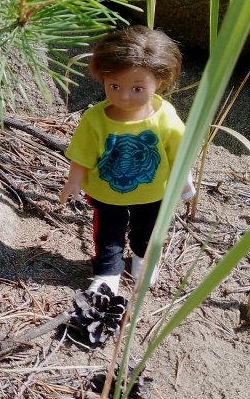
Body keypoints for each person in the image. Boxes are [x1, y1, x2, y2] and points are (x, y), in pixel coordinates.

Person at [58, 25, 194, 295]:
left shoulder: (165, 118)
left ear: (160, 80)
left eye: (137, 88)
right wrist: (74, 181)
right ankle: (108, 272)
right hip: (106, 193)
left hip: (154, 192)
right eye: (115, 86)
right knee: (107, 233)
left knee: (149, 230)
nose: (124, 96)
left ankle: (143, 260)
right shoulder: (95, 119)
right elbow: (83, 154)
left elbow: (179, 152)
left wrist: (184, 181)